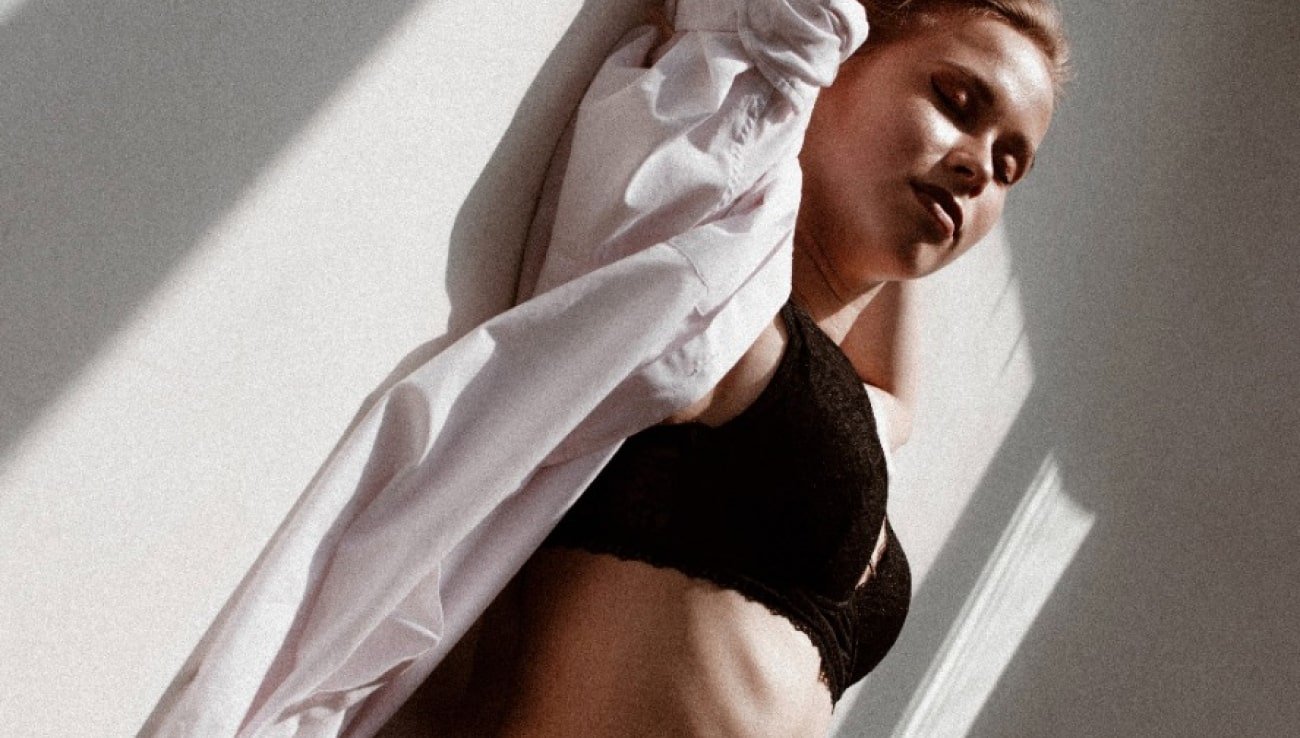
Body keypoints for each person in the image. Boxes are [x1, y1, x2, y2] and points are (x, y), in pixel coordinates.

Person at [143, 0, 1067, 736]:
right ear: (843, 58)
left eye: (1009, 164)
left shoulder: (840, 399)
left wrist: (926, 192)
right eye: (958, 100)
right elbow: (780, 36)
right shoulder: (708, 286)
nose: (979, 167)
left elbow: (895, 404)